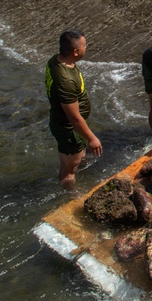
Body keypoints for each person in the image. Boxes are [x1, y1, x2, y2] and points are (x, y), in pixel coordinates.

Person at [46, 29, 102, 189]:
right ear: (76, 51)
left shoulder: (55, 60)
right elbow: (74, 118)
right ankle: (70, 197)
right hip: (69, 129)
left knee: (76, 160)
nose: (87, 48)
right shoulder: (66, 81)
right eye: (85, 45)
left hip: (66, 125)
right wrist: (92, 138)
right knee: (68, 171)